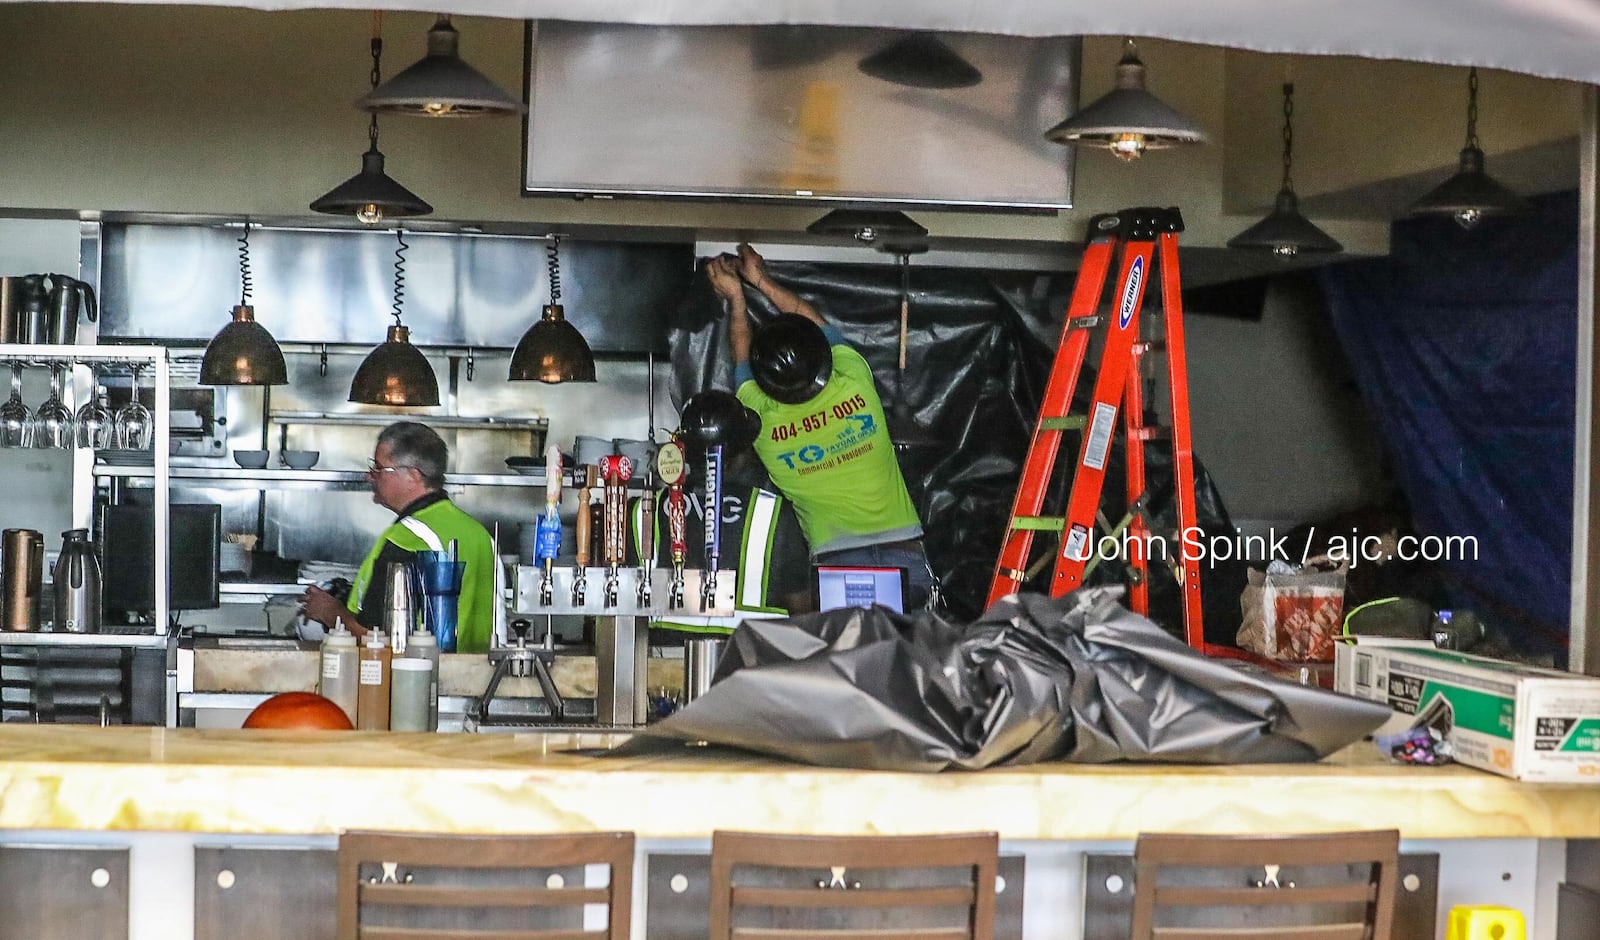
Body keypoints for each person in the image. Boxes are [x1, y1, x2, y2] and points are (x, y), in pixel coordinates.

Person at [706, 244, 937, 609]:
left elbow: (740, 353)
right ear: (820, 361)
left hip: (836, 567)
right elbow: (808, 318)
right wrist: (760, 280)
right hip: (902, 555)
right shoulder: (854, 380)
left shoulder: (762, 421)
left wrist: (736, 297)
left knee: (841, 665)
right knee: (909, 665)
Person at [301, 421, 498, 653]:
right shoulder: (480, 535)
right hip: (471, 681)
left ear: (413, 476)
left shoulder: (406, 539)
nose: (370, 477)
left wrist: (330, 612)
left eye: (379, 468)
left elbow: (379, 642)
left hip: (417, 682)